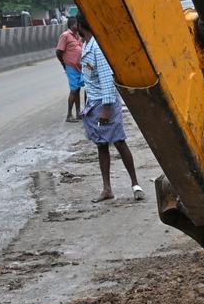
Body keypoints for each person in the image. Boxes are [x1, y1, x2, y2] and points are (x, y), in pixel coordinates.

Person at [76, 12, 145, 203]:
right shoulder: (86, 45)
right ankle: (107, 189)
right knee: (101, 145)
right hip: (94, 104)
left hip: (105, 103)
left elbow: (107, 80)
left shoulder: (97, 48)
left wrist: (106, 109)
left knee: (119, 141)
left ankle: (135, 184)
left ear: (80, 25)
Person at [56, 17, 84, 122]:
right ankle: (69, 115)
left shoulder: (78, 36)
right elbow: (59, 51)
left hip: (79, 66)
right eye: (77, 24)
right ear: (72, 25)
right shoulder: (65, 35)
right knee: (74, 89)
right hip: (71, 66)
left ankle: (78, 112)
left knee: (78, 89)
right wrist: (64, 63)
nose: (78, 25)